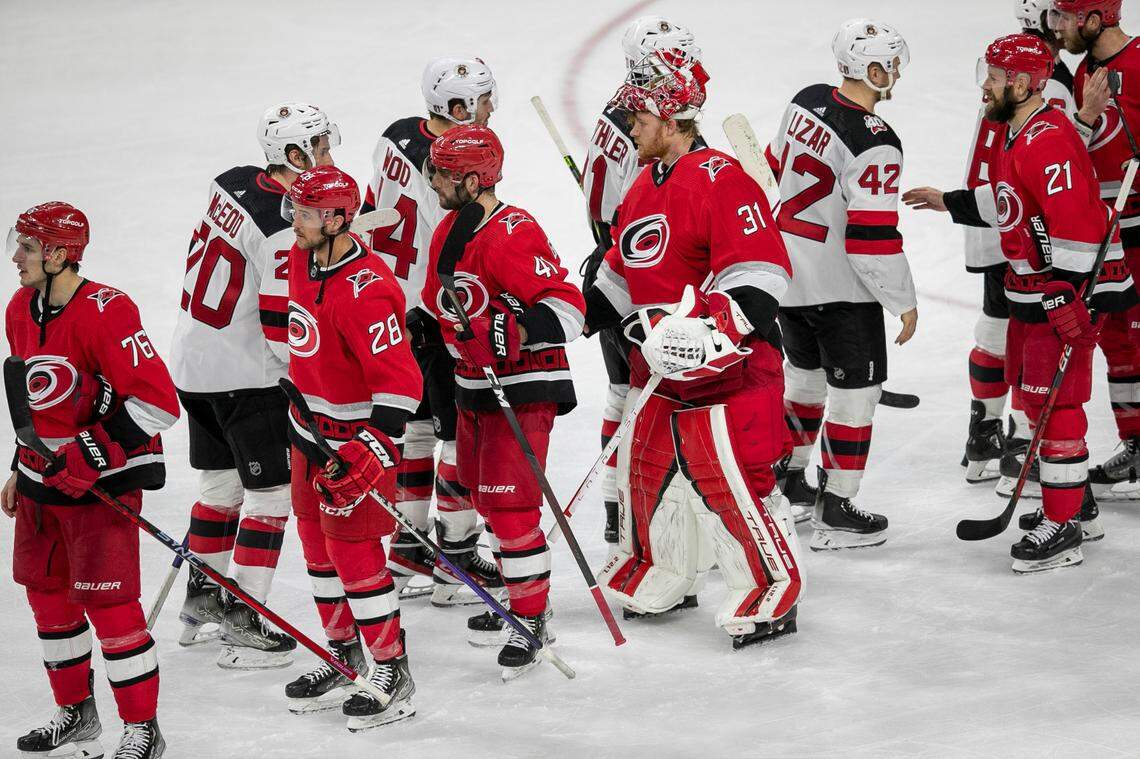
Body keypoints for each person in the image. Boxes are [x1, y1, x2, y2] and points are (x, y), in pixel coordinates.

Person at [582, 52, 802, 648]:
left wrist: (712, 329)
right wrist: (565, 313)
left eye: (640, 116)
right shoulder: (642, 186)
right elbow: (623, 273)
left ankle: (768, 590)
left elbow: (762, 273)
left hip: (733, 373)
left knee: (730, 483)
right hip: (661, 374)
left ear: (672, 119)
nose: (631, 126)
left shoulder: (723, 179)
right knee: (645, 475)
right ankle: (662, 576)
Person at [903, 33, 1137, 572]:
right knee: (1037, 405)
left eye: (993, 76)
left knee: (1056, 410)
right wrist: (951, 202)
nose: (984, 85)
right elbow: (1012, 198)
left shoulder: (1044, 140)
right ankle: (1075, 506)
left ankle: (1065, 528)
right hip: (1032, 293)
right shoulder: (1022, 132)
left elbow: (1077, 223)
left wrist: (1065, 295)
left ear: (1023, 82)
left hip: (1058, 297)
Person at [5, 202, 179, 757]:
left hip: (99, 484)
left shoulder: (108, 310)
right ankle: (77, 713)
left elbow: (159, 404)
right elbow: (35, 399)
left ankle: (143, 729)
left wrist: (89, 452)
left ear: (59, 253)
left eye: (28, 248)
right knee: (48, 599)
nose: (17, 258)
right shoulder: (18, 307)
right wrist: (18, 462)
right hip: (40, 483)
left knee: (110, 606)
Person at [171, 102, 339, 668]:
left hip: (193, 363)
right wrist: (309, 375)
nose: (328, 155)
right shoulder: (280, 229)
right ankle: (245, 618)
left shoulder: (235, 183)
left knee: (219, 489)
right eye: (318, 146)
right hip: (246, 377)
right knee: (268, 496)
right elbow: (277, 326)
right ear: (294, 156)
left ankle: (201, 600)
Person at [418, 125, 585, 678]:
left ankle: (533, 619)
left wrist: (511, 325)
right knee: (485, 500)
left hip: (523, 386)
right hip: (472, 386)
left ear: (471, 178)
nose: (432, 180)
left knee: (511, 509)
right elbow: (443, 305)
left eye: (441, 172)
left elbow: (567, 309)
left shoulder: (514, 230)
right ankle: (522, 596)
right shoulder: (448, 226)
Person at [764, 18, 918, 548]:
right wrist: (905, 302)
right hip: (840, 290)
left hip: (786, 278)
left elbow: (771, 169)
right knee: (856, 397)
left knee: (803, 383)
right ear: (870, 69)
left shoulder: (805, 99)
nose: (895, 71)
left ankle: (788, 485)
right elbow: (871, 238)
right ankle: (836, 509)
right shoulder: (877, 141)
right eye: (889, 62)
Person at [281, 166, 422, 729]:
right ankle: (345, 657)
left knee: (356, 557)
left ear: (338, 219)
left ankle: (393, 669)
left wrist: (372, 449)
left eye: (308, 213)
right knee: (317, 551)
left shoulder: (369, 290)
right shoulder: (300, 258)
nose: (296, 221)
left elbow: (403, 383)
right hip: (306, 435)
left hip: (353, 446)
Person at [361, 56, 502, 604]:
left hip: (388, 301)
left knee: (417, 428)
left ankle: (408, 548)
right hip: (431, 308)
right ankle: (456, 559)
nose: (492, 108)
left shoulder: (396, 135)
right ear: (460, 108)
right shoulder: (450, 163)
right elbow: (461, 235)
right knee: (458, 430)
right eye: (484, 99)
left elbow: (378, 211)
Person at [580, 16, 702, 543]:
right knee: (656, 394)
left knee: (620, 393)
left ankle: (615, 503)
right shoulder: (655, 120)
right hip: (645, 276)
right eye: (679, 57)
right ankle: (652, 508)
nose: (691, 66)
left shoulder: (621, 112)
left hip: (610, 259)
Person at [962, 0, 1076, 487]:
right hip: (1020, 228)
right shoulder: (1047, 84)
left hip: (988, 218)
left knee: (993, 327)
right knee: (1031, 335)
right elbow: (1062, 161)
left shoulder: (1002, 76)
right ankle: (1023, 444)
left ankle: (983, 435)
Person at [1053, 0, 1140, 501]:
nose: (1059, 28)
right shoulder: (1090, 66)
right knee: (1120, 344)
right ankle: (1135, 442)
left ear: (1094, 19)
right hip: (1110, 230)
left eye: (1066, 18)